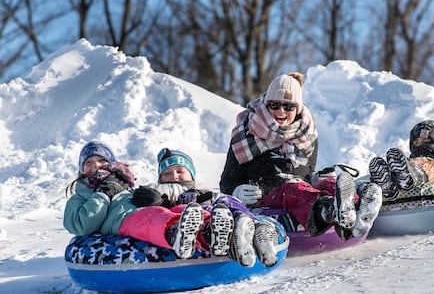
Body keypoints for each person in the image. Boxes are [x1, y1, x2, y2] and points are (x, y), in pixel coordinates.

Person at [219, 72, 382, 239]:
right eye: (274, 105)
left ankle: (357, 210)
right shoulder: (246, 133)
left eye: (288, 106)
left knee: (328, 184)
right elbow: (226, 183)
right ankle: (329, 211)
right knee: (292, 189)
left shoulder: (306, 135)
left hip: (297, 198)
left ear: (297, 109)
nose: (280, 111)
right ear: (265, 104)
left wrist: (317, 180)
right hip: (264, 201)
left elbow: (304, 176)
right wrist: (236, 191)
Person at [131, 147, 281, 267]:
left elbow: (221, 200)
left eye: (180, 171)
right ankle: (224, 233)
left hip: (214, 210)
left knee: (225, 201)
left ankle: (252, 225)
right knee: (201, 211)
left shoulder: (203, 190)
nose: (175, 176)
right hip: (192, 218)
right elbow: (148, 196)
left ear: (191, 175)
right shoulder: (163, 191)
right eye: (167, 173)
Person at [63, 141, 205, 260]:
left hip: (142, 211)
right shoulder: (80, 197)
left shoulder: (123, 184)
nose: (96, 165)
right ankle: (174, 233)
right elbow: (82, 226)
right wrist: (103, 194)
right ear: (82, 169)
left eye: (101, 160)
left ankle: (211, 228)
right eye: (89, 162)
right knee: (150, 219)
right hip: (122, 221)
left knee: (177, 211)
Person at [369, 120, 434, 202]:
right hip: (412, 165)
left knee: (430, 165)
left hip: (432, 170)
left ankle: (410, 177)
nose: (420, 145)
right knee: (406, 164)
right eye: (416, 142)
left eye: (425, 141)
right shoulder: (412, 159)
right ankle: (388, 184)